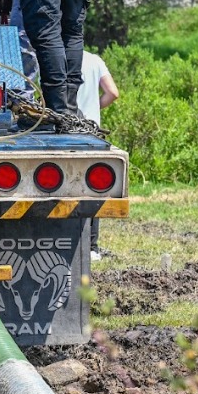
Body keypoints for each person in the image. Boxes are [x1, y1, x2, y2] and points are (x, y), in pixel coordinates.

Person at [78, 50, 120, 260]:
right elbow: (113, 92)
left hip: (65, 129)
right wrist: (95, 107)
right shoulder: (95, 60)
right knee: (93, 189)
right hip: (92, 132)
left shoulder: (53, 57)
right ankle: (92, 247)